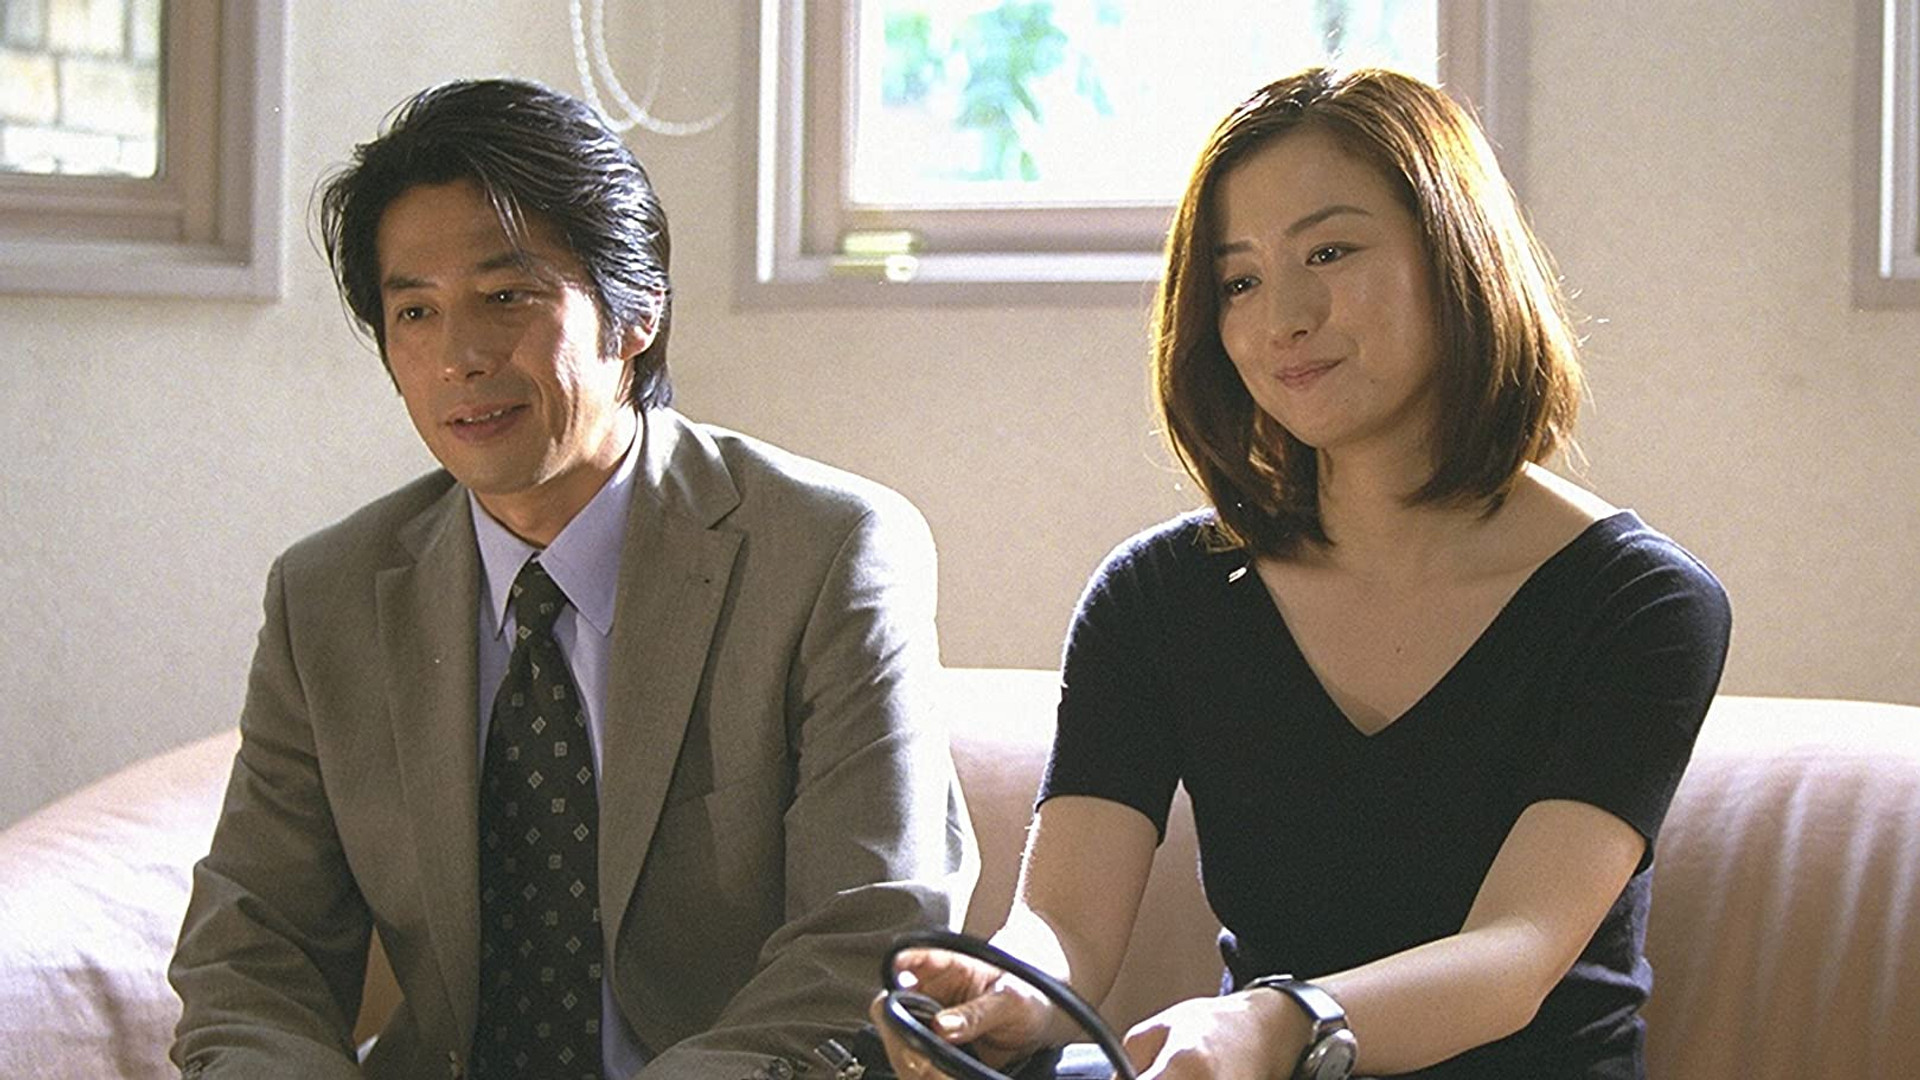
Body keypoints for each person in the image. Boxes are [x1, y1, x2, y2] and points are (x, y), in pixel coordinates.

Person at [874, 67, 1730, 1080]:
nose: (1281, 318)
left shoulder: (1638, 603)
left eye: (1329, 252)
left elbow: (1517, 953)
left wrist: (1276, 1024)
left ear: (1455, 254)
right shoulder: (1159, 598)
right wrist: (1010, 991)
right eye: (1238, 281)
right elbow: (1065, 924)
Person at [170, 78, 975, 1080]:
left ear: (635, 312)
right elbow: (252, 953)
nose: (460, 357)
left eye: (506, 297)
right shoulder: (327, 595)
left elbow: (869, 932)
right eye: (415, 311)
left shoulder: (828, 553)